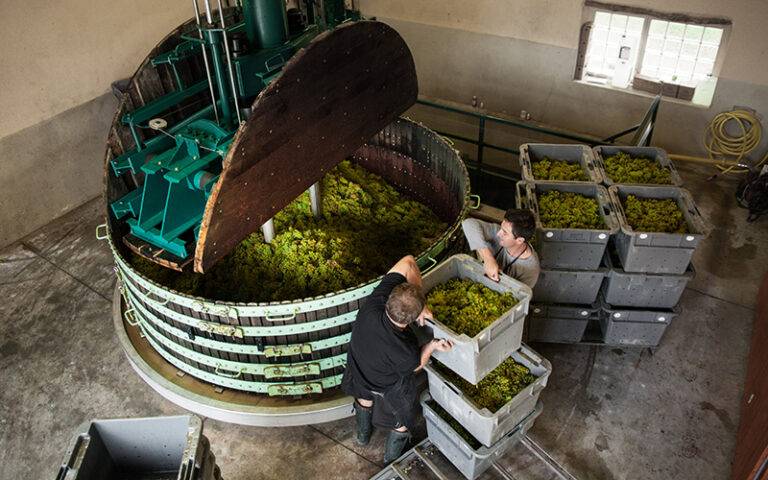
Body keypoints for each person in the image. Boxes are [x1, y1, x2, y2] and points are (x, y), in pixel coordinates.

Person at [341, 255, 453, 463]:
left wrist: (419, 302)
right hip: (386, 384)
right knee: (403, 415)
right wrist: (431, 345)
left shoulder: (374, 304)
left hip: (358, 365)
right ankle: (391, 456)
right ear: (413, 319)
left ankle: (363, 436)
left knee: (363, 395)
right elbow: (417, 366)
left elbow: (408, 261)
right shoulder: (406, 351)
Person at [461, 208, 540, 288]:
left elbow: (522, 293)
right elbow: (468, 223)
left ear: (519, 240)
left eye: (505, 233)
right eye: (501, 228)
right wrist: (488, 259)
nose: (499, 234)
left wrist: (502, 280)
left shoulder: (531, 269)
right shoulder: (498, 232)